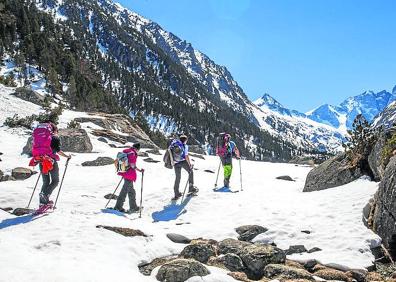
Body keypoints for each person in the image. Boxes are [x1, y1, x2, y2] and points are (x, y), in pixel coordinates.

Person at [30, 122, 71, 206]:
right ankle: (45, 195)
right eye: (57, 130)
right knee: (55, 181)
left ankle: (43, 201)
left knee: (46, 182)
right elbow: (58, 151)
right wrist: (67, 156)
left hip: (41, 160)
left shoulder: (41, 138)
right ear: (54, 130)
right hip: (51, 162)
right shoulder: (55, 138)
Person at [114, 143, 144, 213]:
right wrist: (139, 170)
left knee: (131, 191)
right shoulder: (132, 153)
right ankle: (118, 207)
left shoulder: (126, 151)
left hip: (124, 171)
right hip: (129, 174)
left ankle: (133, 207)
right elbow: (132, 164)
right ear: (137, 149)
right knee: (124, 191)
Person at [170, 134, 197, 200]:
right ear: (185, 140)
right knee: (190, 172)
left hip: (175, 162)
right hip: (182, 161)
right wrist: (189, 164)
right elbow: (186, 156)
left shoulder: (174, 144)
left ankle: (176, 194)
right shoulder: (184, 146)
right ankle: (191, 188)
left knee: (177, 177)